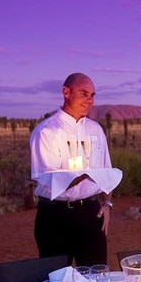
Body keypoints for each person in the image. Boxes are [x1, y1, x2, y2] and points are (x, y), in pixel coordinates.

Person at [30, 73, 115, 266]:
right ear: (66, 92)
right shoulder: (47, 132)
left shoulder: (96, 130)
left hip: (91, 213)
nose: (90, 100)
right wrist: (84, 174)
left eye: (92, 95)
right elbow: (51, 180)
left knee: (96, 279)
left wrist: (107, 204)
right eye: (84, 93)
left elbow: (107, 173)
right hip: (54, 216)